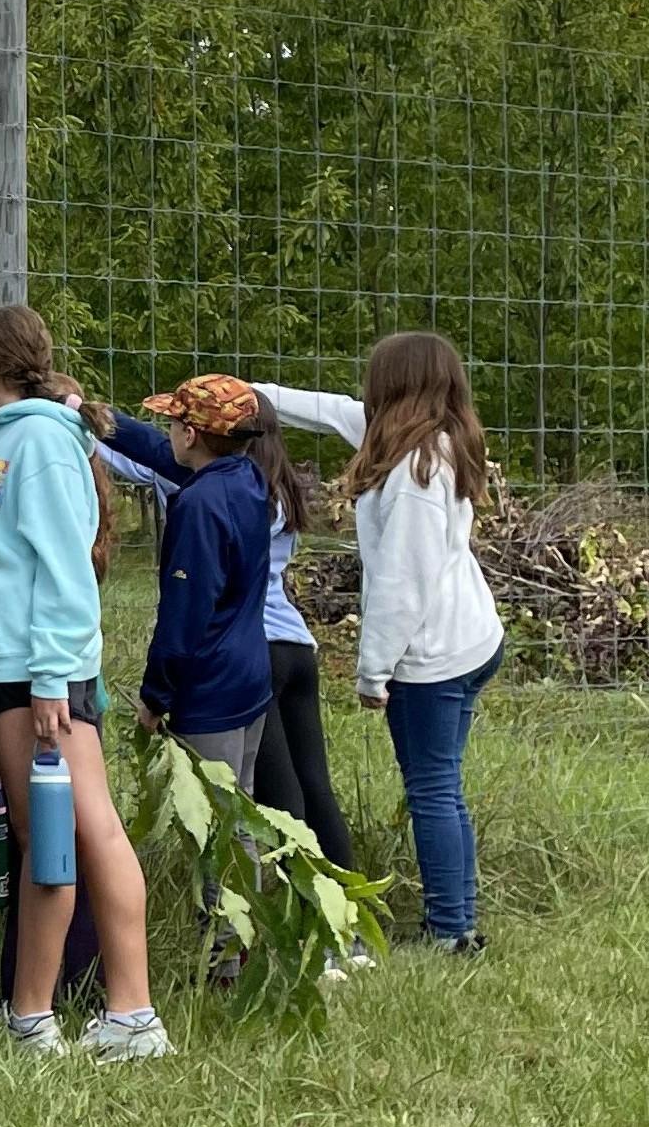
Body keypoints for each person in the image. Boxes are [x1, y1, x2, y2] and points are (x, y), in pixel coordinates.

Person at [0, 304, 171, 1060]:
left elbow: (65, 571)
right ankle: (84, 1013)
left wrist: (49, 679)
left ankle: (86, 1014)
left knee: (67, 832)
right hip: (3, 661)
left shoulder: (38, 439)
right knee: (62, 831)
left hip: (35, 671)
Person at [253, 337, 504, 952]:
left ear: (394, 385)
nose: (363, 388)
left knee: (433, 788)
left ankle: (450, 930)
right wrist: (251, 393)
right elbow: (327, 408)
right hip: (467, 636)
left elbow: (402, 583)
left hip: (434, 652)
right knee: (441, 783)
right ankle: (457, 919)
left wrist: (373, 672)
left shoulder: (417, 473)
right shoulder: (415, 438)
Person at [81, 373, 276, 975]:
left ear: (191, 433)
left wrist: (154, 694)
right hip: (251, 678)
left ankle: (225, 961)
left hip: (209, 690)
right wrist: (95, 413)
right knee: (239, 812)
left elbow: (184, 616)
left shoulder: (196, 504)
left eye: (172, 423)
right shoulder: (247, 479)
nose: (167, 433)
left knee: (215, 829)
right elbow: (160, 450)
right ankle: (246, 942)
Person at [238, 407, 357, 872]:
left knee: (279, 792)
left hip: (257, 650)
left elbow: (138, 463)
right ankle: (346, 911)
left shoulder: (223, 489)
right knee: (315, 783)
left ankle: (312, 916)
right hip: (296, 646)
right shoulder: (280, 490)